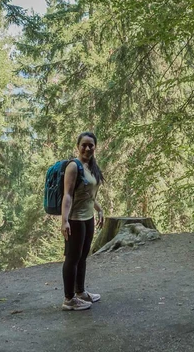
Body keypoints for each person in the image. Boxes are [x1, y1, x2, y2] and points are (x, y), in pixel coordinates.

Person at [60, 131, 105, 311]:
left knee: (83, 256)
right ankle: (69, 299)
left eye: (91, 145)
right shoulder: (74, 166)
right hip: (75, 219)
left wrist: (99, 210)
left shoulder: (91, 166)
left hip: (88, 218)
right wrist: (64, 221)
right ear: (78, 147)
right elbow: (68, 195)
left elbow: (88, 194)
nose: (87, 148)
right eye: (84, 145)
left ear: (95, 147)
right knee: (72, 258)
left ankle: (80, 292)